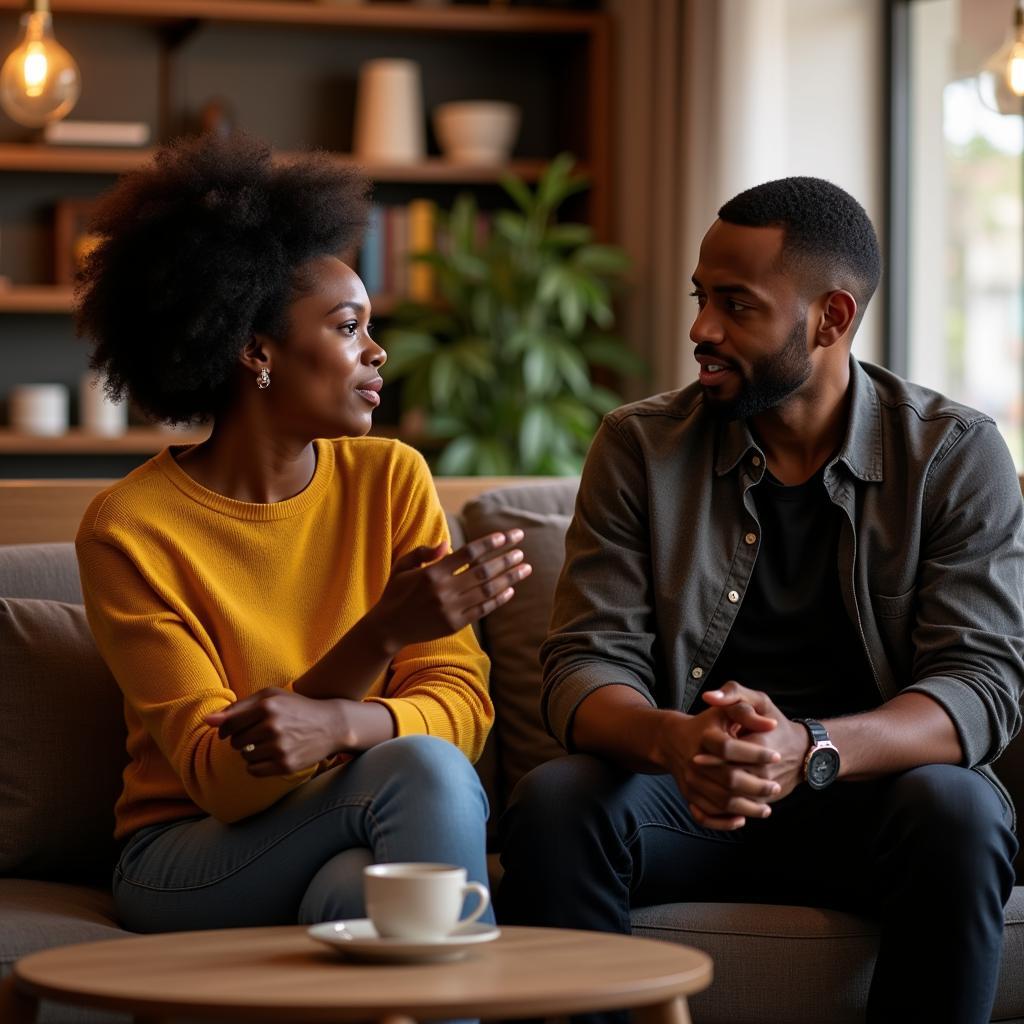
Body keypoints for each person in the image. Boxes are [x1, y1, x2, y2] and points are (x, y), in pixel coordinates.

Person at [496, 176, 1023, 1023]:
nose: (701, 330)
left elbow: (981, 685)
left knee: (958, 808)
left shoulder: (953, 455)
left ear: (832, 318)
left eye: (736, 306)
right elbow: (581, 666)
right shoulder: (639, 447)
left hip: (870, 801)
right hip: (691, 797)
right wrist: (675, 742)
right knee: (559, 802)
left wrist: (806, 746)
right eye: (703, 299)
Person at [74, 132, 531, 933]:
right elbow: (224, 778)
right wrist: (382, 633)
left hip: (348, 819)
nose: (377, 349)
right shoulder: (131, 529)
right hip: (189, 852)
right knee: (418, 770)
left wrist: (338, 724)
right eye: (349, 326)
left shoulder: (390, 479)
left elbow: (464, 705)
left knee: (363, 893)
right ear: (257, 350)